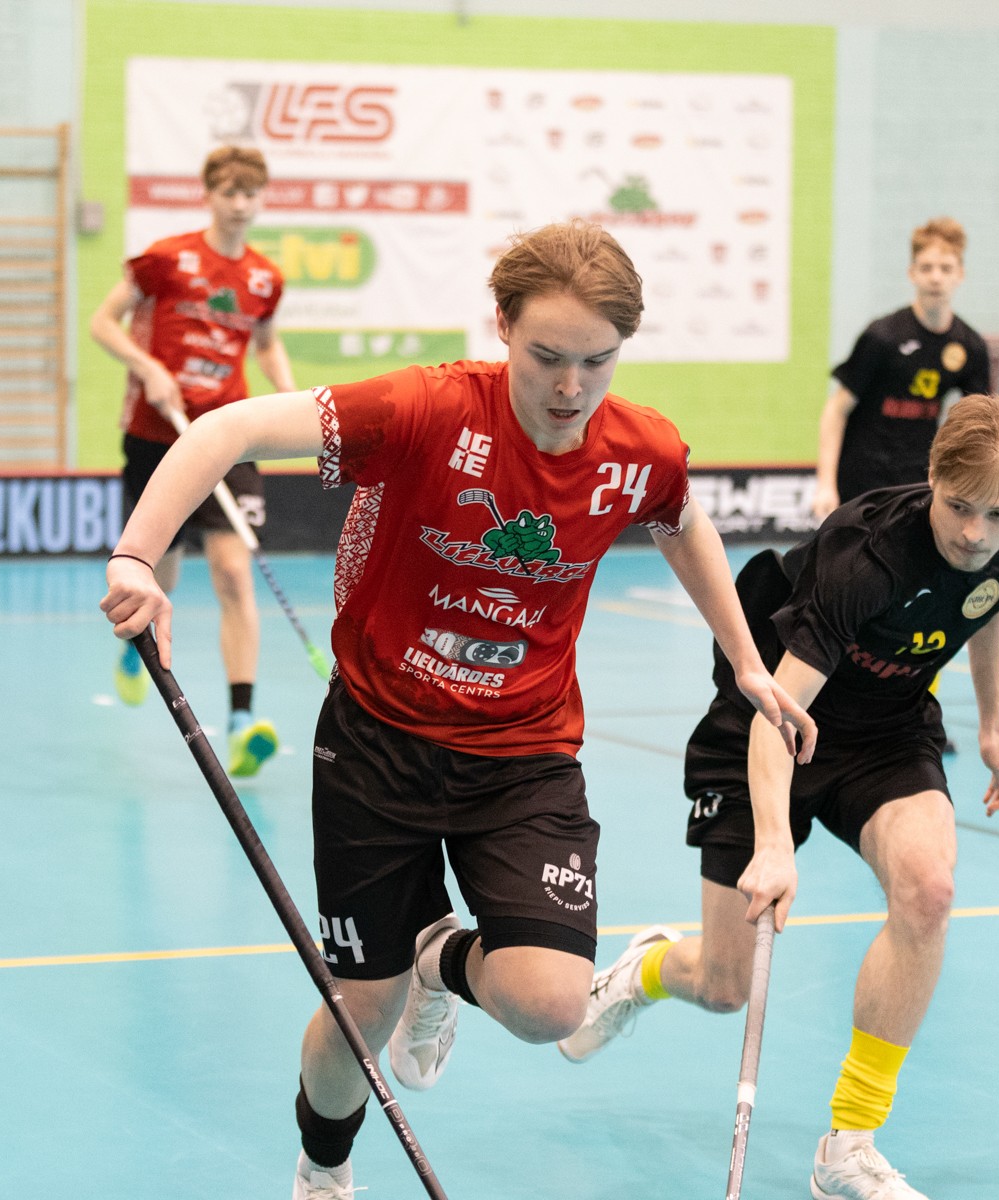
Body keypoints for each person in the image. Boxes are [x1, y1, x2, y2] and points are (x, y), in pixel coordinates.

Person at [101, 220, 816, 1200]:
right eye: (547, 356)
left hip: (524, 754)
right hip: (376, 744)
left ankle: (439, 958)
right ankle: (323, 1167)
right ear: (503, 326)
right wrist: (137, 555)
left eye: (598, 361)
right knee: (361, 1009)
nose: (571, 388)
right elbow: (225, 430)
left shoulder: (638, 449)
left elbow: (680, 518)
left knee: (551, 1005)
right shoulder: (426, 409)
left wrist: (745, 660)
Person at [556, 395, 999, 1200]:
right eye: (960, 506)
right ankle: (642, 971)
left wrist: (993, 725)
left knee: (928, 890)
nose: (974, 533)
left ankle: (848, 1145)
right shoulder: (867, 557)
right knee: (724, 986)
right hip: (770, 723)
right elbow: (778, 716)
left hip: (887, 734)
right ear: (933, 477)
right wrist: (774, 844)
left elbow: (986, 601)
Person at [89, 144, 297, 776]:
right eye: (229, 192)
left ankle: (242, 721)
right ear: (208, 195)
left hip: (228, 435)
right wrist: (147, 367)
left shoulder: (264, 279)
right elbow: (104, 322)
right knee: (165, 572)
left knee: (233, 572)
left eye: (251, 193)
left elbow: (266, 343)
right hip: (158, 435)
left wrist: (291, 396)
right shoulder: (165, 260)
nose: (240, 204)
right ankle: (134, 645)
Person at [814, 218, 991, 756]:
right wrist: (825, 483)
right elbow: (836, 410)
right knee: (854, 597)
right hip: (864, 487)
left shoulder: (968, 346)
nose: (936, 276)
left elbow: (979, 424)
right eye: (926, 267)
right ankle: (826, 705)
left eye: (946, 268)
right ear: (912, 273)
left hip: (923, 491)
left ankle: (913, 712)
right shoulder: (883, 337)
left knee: (928, 605)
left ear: (960, 275)